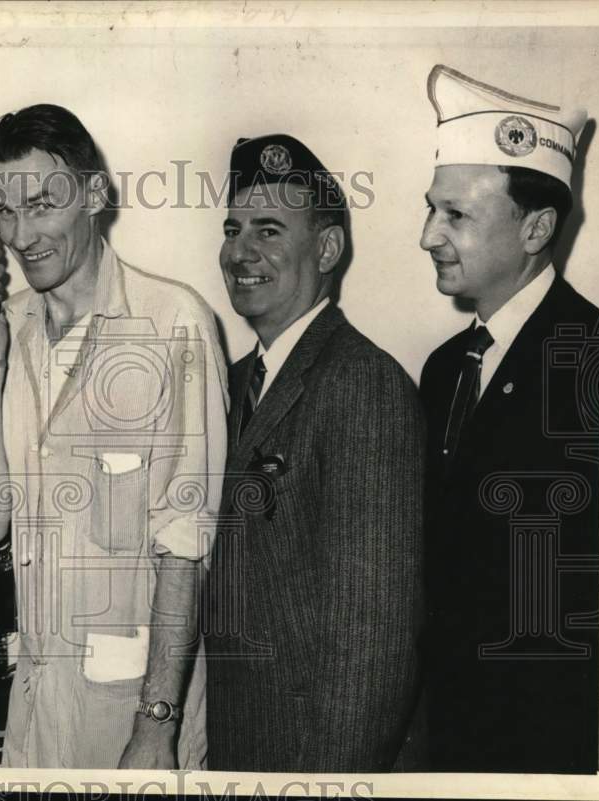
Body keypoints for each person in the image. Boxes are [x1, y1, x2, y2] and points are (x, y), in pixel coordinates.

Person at [0, 104, 228, 769]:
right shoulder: (7, 331)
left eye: (43, 204)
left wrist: (157, 726)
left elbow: (185, 546)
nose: (22, 235)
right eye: (6, 211)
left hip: (133, 718)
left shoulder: (173, 322)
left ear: (95, 196)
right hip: (36, 718)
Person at [202, 134, 426, 772]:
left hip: (311, 760)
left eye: (269, 231)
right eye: (233, 227)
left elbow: (373, 645)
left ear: (327, 248)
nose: (240, 251)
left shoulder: (362, 382)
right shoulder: (235, 379)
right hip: (234, 750)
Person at [418, 65, 599, 773]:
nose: (428, 235)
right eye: (431, 209)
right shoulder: (443, 368)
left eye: (455, 215)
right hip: (451, 743)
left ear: (536, 229)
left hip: (551, 749)